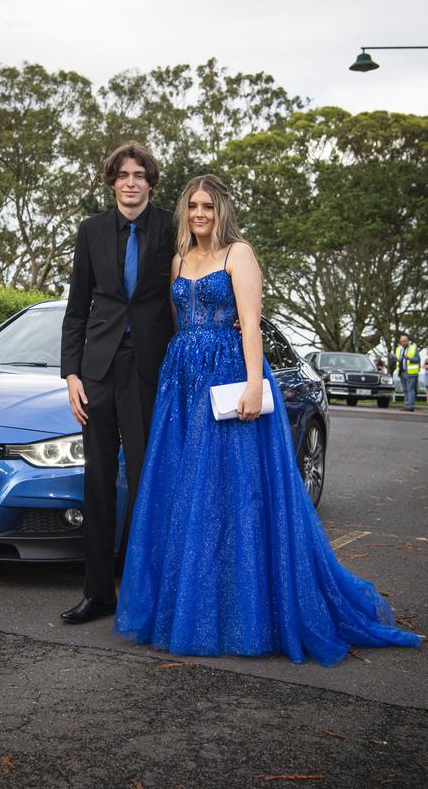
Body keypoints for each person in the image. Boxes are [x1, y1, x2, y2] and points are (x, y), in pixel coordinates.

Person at [114, 174, 421, 665]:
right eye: (192, 206)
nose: (199, 214)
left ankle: (248, 611)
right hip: (184, 384)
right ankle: (193, 605)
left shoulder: (240, 254)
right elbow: (176, 325)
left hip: (230, 378)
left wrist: (255, 383)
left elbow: (250, 323)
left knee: (235, 495)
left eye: (208, 207)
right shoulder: (177, 259)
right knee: (189, 495)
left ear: (222, 211)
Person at [59, 142, 175, 624]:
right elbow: (77, 306)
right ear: (112, 182)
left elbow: (200, 274)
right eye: (123, 175)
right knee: (99, 482)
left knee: (150, 480)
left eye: (139, 174)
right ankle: (98, 592)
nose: (131, 182)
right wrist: (71, 373)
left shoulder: (172, 226)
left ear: (150, 182)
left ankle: (147, 593)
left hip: (151, 369)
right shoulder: (90, 231)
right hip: (97, 371)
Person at [395, 334, 421, 412]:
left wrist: (409, 358)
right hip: (402, 372)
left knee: (410, 389)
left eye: (405, 341)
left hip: (411, 372)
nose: (404, 343)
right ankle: (406, 405)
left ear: (408, 341)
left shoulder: (413, 348)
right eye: (402, 342)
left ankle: (410, 406)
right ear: (400, 342)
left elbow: (418, 359)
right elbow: (399, 360)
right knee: (405, 390)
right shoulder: (399, 349)